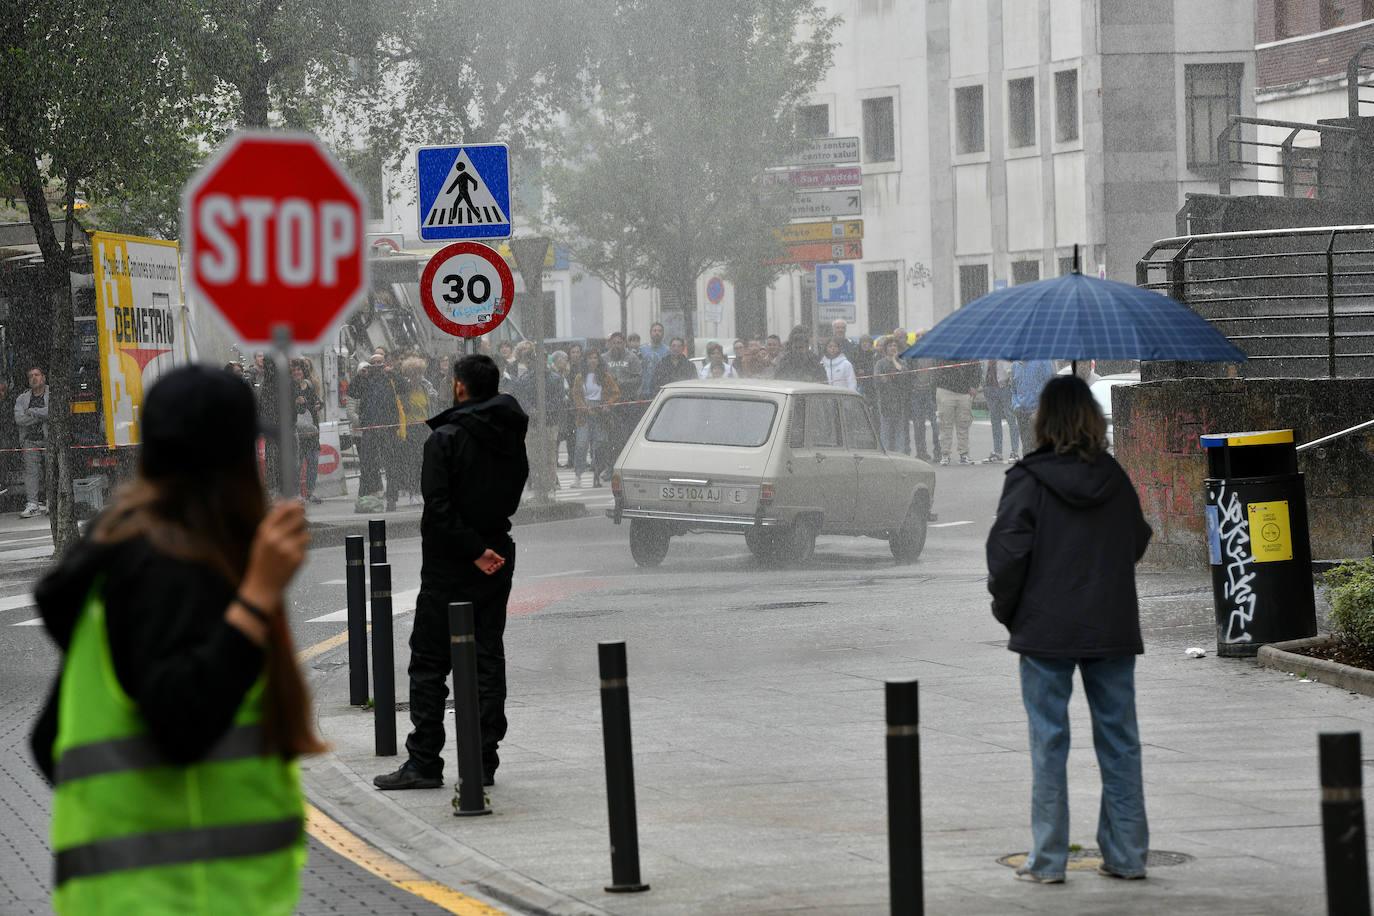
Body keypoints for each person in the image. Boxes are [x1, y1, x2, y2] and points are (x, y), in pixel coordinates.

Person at [30, 365, 321, 913]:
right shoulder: (172, 565)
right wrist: (258, 597)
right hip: (186, 896)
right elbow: (179, 720)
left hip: (142, 895)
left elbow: (54, 740)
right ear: (229, 464)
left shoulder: (126, 561)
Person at [986, 375, 1152, 885]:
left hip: (1045, 630)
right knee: (1120, 740)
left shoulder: (1028, 478)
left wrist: (1010, 610)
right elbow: (1137, 540)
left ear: (1043, 420)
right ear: (1092, 420)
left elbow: (1007, 554)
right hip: (1110, 625)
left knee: (1048, 741)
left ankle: (1048, 859)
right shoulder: (1113, 476)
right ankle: (1126, 854)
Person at [374, 355, 529, 792]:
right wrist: (485, 546)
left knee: (428, 661)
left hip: (450, 564)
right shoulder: (510, 433)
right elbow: (511, 496)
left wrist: (472, 550)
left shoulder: (445, 439)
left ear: (460, 387)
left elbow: (438, 509)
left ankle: (424, 761)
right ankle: (483, 762)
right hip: (497, 555)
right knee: (486, 659)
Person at [571, 350, 621, 488]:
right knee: (581, 444)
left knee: (600, 444)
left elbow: (616, 393)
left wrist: (608, 404)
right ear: (585, 361)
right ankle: (578, 475)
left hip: (600, 413)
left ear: (599, 360)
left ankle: (597, 474)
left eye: (595, 358)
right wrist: (582, 406)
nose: (592, 360)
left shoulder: (605, 376)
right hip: (584, 414)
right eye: (589, 358)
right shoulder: (580, 377)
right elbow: (576, 394)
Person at [934, 358, 980, 466]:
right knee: (945, 424)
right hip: (945, 390)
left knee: (964, 424)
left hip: (964, 392)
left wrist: (974, 385)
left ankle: (964, 454)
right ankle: (945, 454)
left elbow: (977, 368)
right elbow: (936, 368)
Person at [15, 368, 48, 517]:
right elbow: (19, 419)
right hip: (30, 440)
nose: (34, 378)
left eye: (37, 375)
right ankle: (33, 504)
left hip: (49, 439)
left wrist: (33, 411)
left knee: (51, 470)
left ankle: (50, 501)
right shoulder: (22, 398)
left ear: (43, 377)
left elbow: (52, 412)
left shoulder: (52, 394)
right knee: (31, 472)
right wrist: (41, 414)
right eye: (30, 376)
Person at [290, 360, 323, 503]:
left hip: (311, 430)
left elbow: (317, 401)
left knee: (313, 461)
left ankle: (310, 492)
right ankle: (296, 494)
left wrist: (318, 405)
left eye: (299, 370)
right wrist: (295, 403)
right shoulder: (289, 387)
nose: (297, 372)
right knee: (297, 463)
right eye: (294, 370)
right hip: (296, 431)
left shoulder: (309, 385)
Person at [874, 338, 912, 453]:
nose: (893, 348)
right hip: (885, 400)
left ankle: (899, 454)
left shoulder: (902, 362)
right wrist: (892, 378)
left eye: (895, 345)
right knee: (886, 429)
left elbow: (904, 376)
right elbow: (878, 380)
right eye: (890, 346)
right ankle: (885, 453)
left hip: (900, 401)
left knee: (899, 429)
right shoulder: (880, 363)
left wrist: (895, 361)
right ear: (885, 348)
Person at [1012, 360, 1056, 457]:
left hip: (1038, 412)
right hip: (1021, 413)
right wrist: (1015, 405)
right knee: (1026, 447)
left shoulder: (1043, 361)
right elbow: (1014, 389)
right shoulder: (1015, 365)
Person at [982, 360, 1020, 464]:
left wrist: (1011, 383)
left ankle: (1014, 451)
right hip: (990, 388)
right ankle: (998, 452)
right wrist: (984, 386)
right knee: (995, 421)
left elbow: (1013, 369)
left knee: (1011, 419)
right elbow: (983, 369)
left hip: (1005, 387)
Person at [638, 322, 668, 399]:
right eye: (654, 330)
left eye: (659, 331)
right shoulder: (641, 349)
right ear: (650, 333)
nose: (657, 333)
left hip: (660, 390)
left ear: (663, 333)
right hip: (644, 390)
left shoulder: (668, 351)